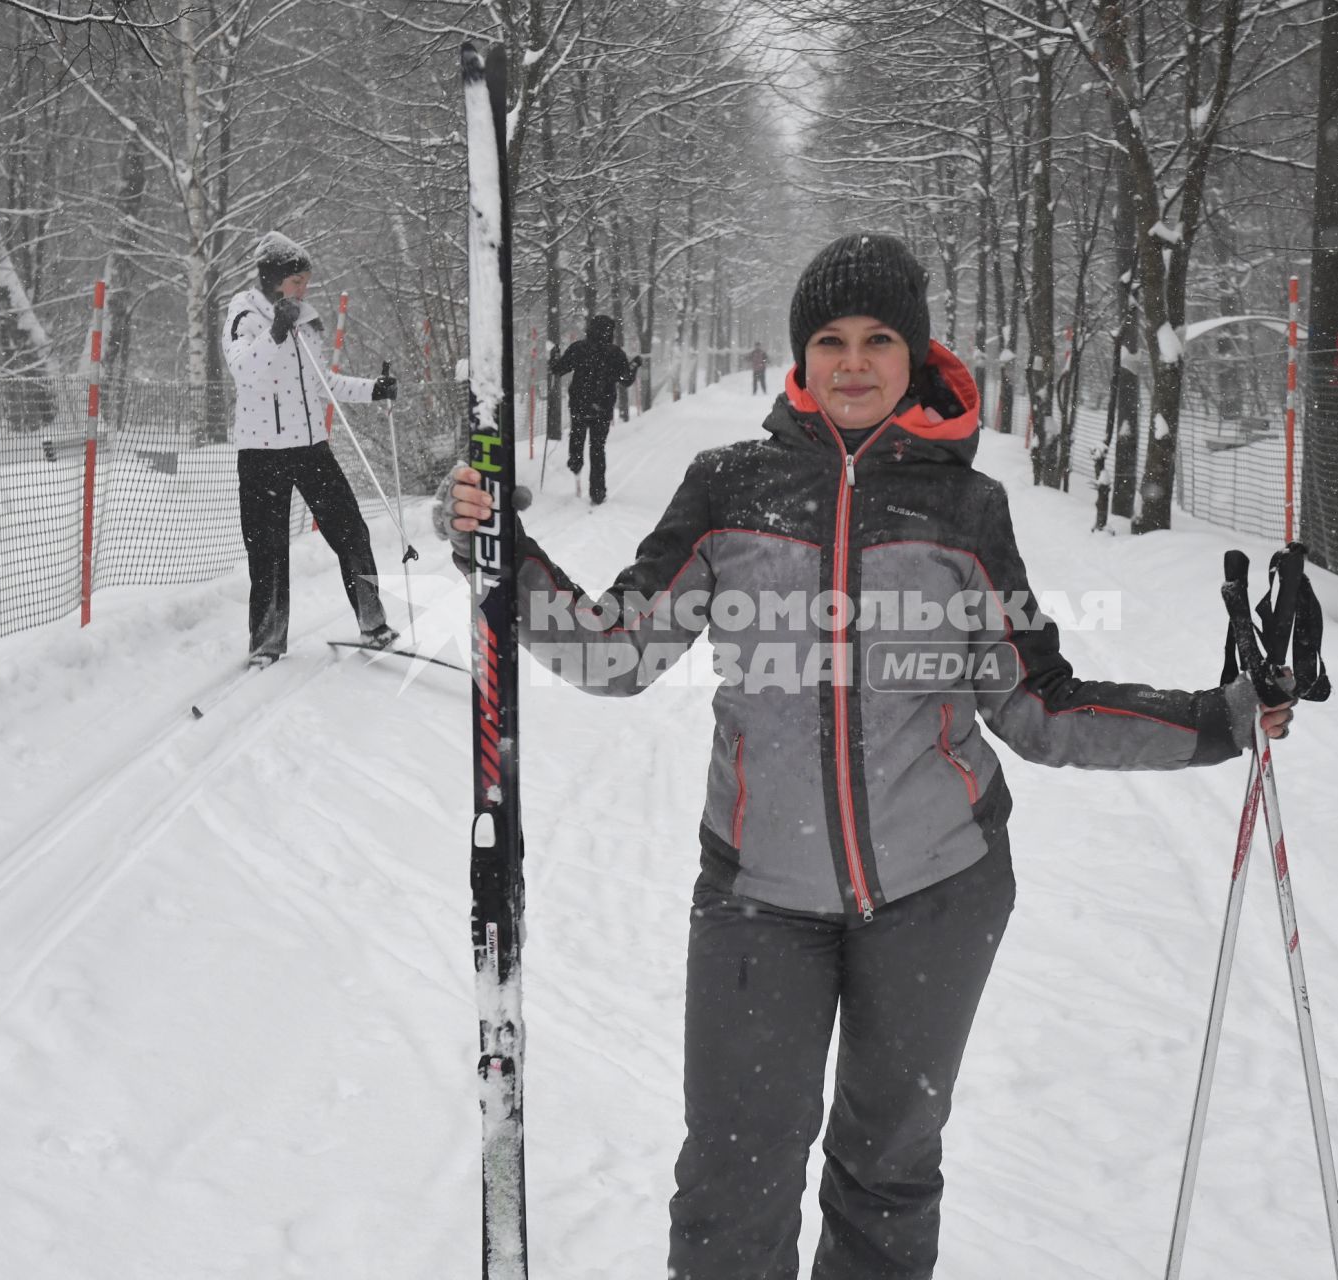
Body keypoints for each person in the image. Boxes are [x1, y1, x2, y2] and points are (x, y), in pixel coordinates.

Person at [441, 233, 1292, 1279]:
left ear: (915, 351)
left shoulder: (964, 509)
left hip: (940, 889)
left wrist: (1223, 717)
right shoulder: (728, 489)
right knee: (731, 1179)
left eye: (878, 338)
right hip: (758, 890)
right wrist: (498, 556)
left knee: (887, 1171)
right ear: (800, 357)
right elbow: (616, 651)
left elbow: (1035, 703)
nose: (853, 360)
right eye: (830, 340)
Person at [223, 231, 400, 667]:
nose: (305, 289)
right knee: (267, 550)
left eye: (306, 281)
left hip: (310, 449)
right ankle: (266, 644)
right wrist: (277, 333)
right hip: (262, 453)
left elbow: (326, 384)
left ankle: (374, 624)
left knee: (352, 532)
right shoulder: (244, 315)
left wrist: (372, 390)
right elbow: (244, 373)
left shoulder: (308, 320)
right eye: (297, 281)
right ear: (274, 278)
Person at [550, 314, 641, 505]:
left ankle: (575, 464)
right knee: (597, 448)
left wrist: (554, 356)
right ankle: (597, 492)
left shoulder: (579, 348)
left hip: (579, 405)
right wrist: (634, 365)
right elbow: (626, 381)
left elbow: (558, 370)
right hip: (603, 407)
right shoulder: (615, 353)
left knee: (577, 436)